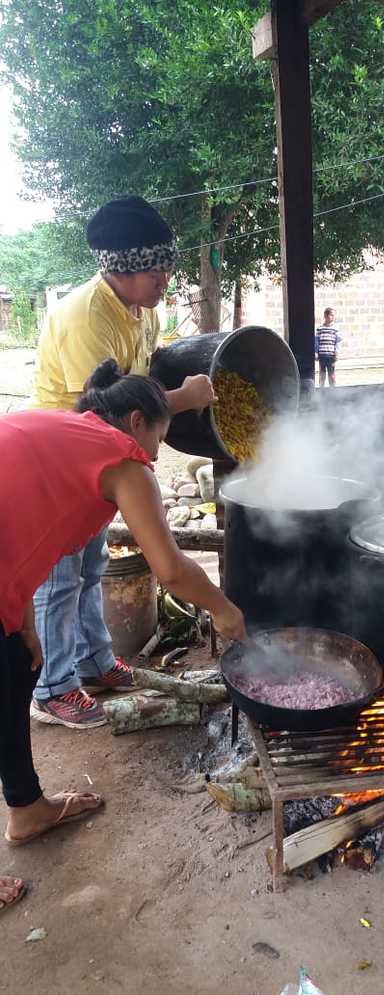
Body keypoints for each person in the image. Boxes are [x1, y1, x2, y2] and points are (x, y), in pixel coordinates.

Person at [0, 361, 245, 912]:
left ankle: (27, 808)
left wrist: (22, 622)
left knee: (14, 668)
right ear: (137, 422)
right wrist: (226, 612)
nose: (156, 455)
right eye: (159, 439)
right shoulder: (122, 458)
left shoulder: (80, 432)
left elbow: (19, 533)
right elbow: (171, 569)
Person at [29, 196, 216, 729]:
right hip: (57, 464)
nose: (164, 282)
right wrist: (183, 398)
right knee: (59, 581)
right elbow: (106, 413)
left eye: (167, 269)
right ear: (122, 268)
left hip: (96, 462)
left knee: (92, 568)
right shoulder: (86, 317)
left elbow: (139, 385)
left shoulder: (141, 311)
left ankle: (94, 662)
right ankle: (51, 689)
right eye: (156, 272)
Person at [315, 307, 342, 387]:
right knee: (322, 374)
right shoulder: (320, 329)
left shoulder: (335, 329)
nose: (333, 317)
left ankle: (332, 389)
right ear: (325, 316)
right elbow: (316, 342)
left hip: (331, 356)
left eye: (334, 315)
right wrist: (316, 352)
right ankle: (321, 389)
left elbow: (338, 342)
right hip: (322, 355)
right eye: (331, 315)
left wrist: (337, 353)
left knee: (331, 374)